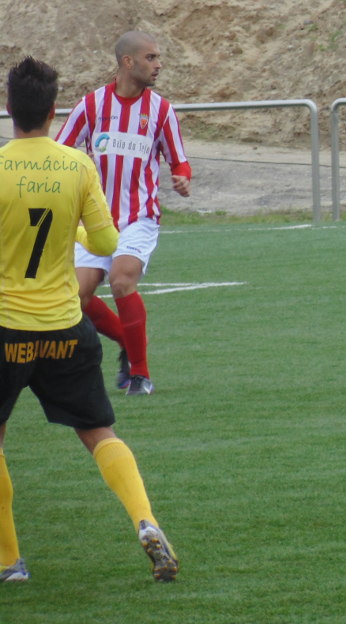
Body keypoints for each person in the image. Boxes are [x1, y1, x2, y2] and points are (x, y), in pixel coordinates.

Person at [0, 57, 178, 583]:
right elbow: (105, 241)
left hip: (8, 328)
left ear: (9, 108)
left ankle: (9, 562)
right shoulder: (77, 166)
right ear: (54, 111)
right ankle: (144, 519)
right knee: (99, 431)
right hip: (64, 327)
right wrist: (74, 232)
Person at [56, 31, 192, 395]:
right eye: (151, 58)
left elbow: (179, 160)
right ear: (127, 62)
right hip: (94, 220)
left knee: (121, 280)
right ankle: (127, 343)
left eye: (158, 57)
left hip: (138, 217)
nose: (158, 65)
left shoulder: (161, 110)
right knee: (76, 297)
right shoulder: (91, 105)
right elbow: (60, 151)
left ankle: (140, 375)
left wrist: (182, 177)